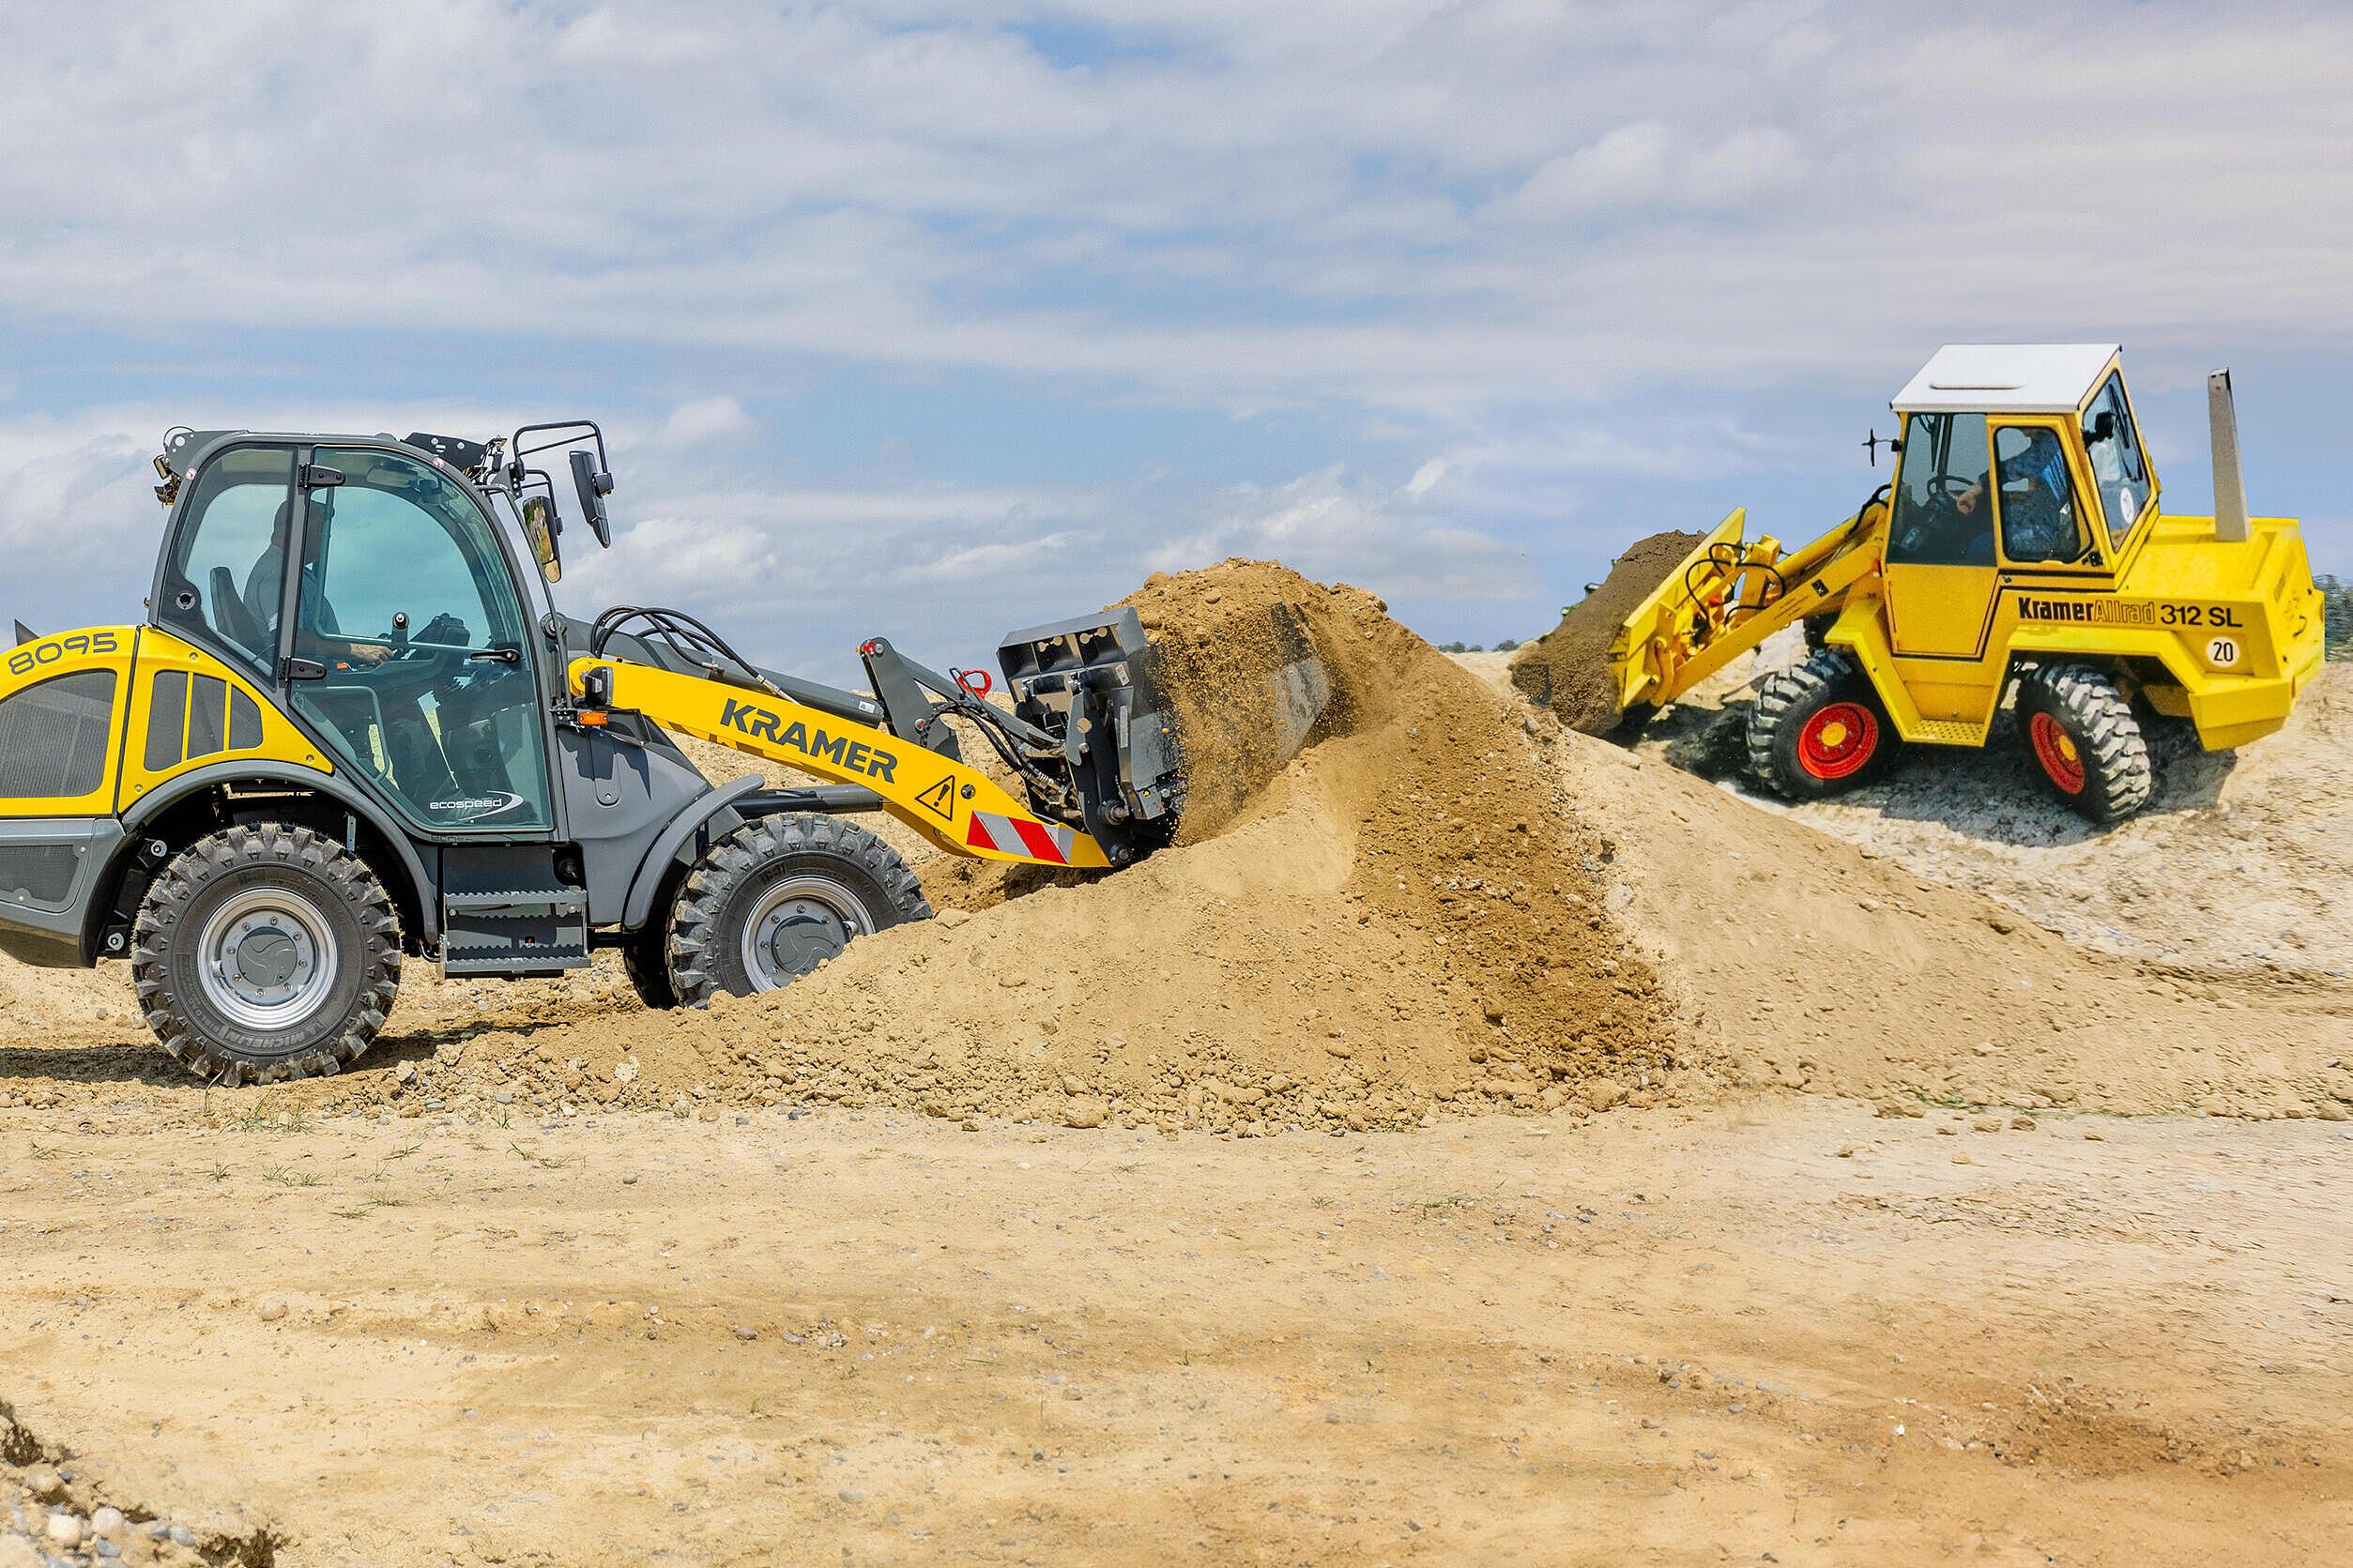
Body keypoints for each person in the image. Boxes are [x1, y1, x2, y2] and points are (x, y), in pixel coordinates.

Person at [1954, 428, 2078, 562]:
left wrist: (1974, 491)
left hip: (2043, 536)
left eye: (2026, 428)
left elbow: (2009, 469)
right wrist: (1973, 492)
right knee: (2003, 513)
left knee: (1980, 546)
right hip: (2047, 519)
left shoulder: (2049, 448)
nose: (2025, 434)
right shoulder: (2058, 439)